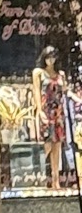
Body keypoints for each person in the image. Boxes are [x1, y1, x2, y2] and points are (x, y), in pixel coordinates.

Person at [33, 47, 71, 193]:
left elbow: (65, 91)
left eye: (53, 57)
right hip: (46, 111)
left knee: (57, 146)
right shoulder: (38, 72)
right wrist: (39, 110)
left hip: (58, 112)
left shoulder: (60, 74)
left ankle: (56, 181)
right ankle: (39, 177)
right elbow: (36, 91)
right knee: (46, 145)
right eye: (48, 57)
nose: (51, 60)